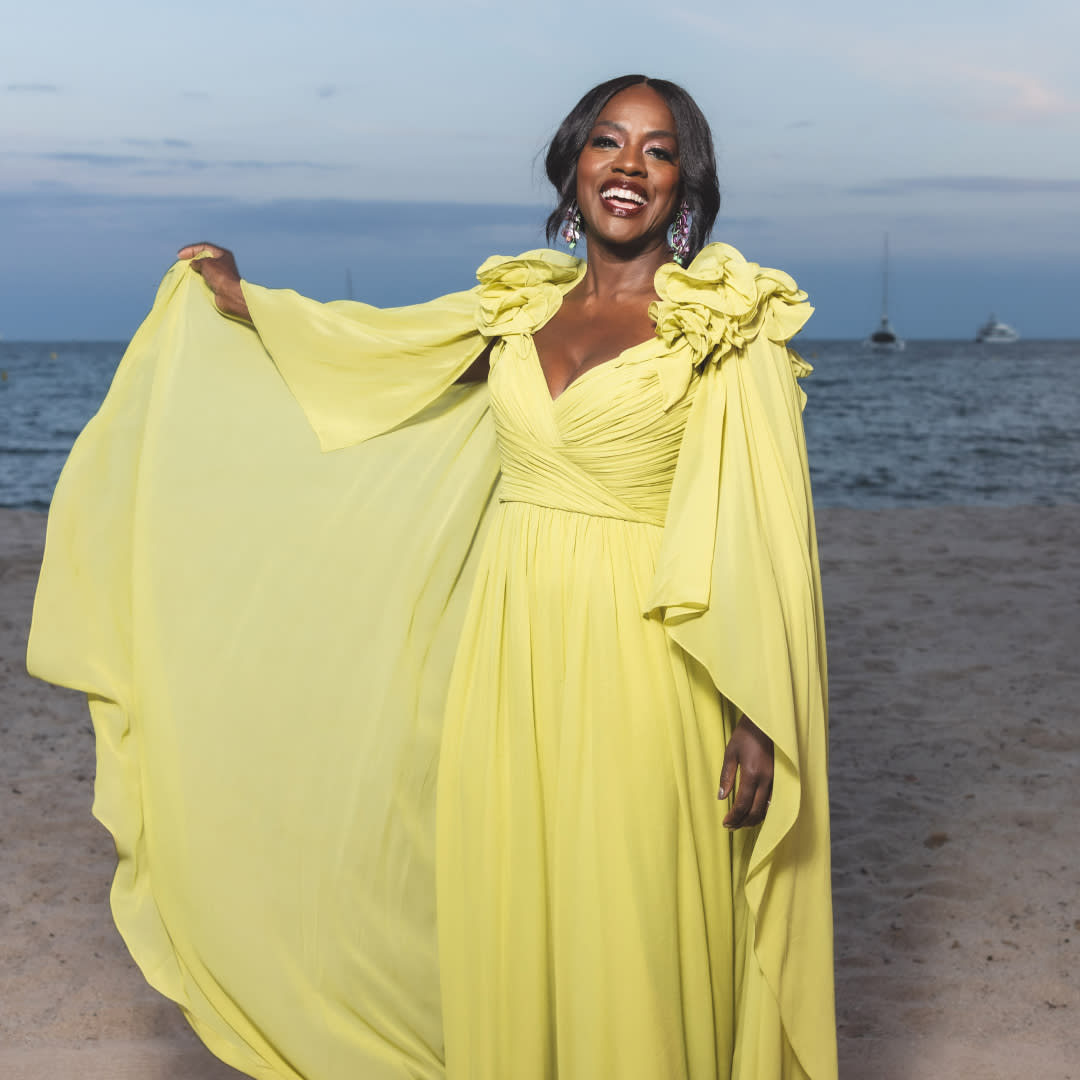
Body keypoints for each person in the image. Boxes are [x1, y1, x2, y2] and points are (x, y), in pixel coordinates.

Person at [28, 75, 836, 1079]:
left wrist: (758, 715)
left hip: (649, 657)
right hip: (507, 651)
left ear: (687, 182)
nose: (628, 166)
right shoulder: (512, 313)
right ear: (571, 163)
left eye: (657, 150)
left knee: (629, 903)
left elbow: (764, 524)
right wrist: (246, 307)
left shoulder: (720, 323)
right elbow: (371, 358)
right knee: (515, 897)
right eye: (606, 142)